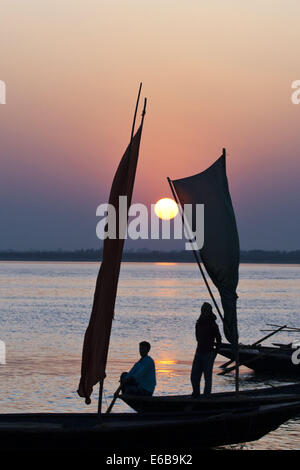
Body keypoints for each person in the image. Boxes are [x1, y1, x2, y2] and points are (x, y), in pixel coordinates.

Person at [191, 302, 221, 397]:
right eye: (203, 310)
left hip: (209, 353)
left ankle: (206, 396)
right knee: (194, 377)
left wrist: (215, 352)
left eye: (206, 310)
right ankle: (196, 393)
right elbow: (197, 337)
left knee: (207, 377)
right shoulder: (198, 323)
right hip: (199, 352)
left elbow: (219, 339)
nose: (204, 312)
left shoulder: (213, 324)